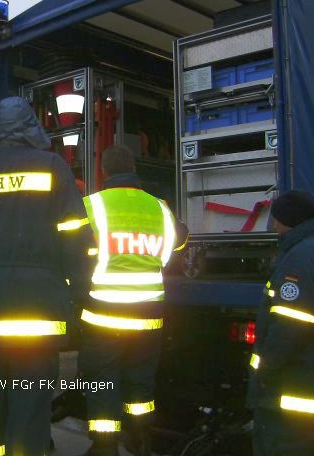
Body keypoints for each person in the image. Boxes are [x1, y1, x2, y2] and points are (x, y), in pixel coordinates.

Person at [0, 96, 93, 456]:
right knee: (30, 402)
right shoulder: (53, 168)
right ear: (30, 126)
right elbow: (76, 238)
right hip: (38, 311)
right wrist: (80, 292)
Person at [76, 145, 187, 456]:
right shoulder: (160, 208)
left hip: (105, 315)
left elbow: (73, 250)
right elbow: (181, 241)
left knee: (103, 380)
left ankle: (105, 446)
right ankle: (141, 440)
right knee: (140, 382)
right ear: (134, 170)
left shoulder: (92, 205)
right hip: (149, 314)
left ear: (105, 171)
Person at [247, 190, 314, 456]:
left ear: (285, 220)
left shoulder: (300, 258)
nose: (272, 224)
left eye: (275, 218)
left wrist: (264, 373)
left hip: (295, 390)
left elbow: (291, 324)